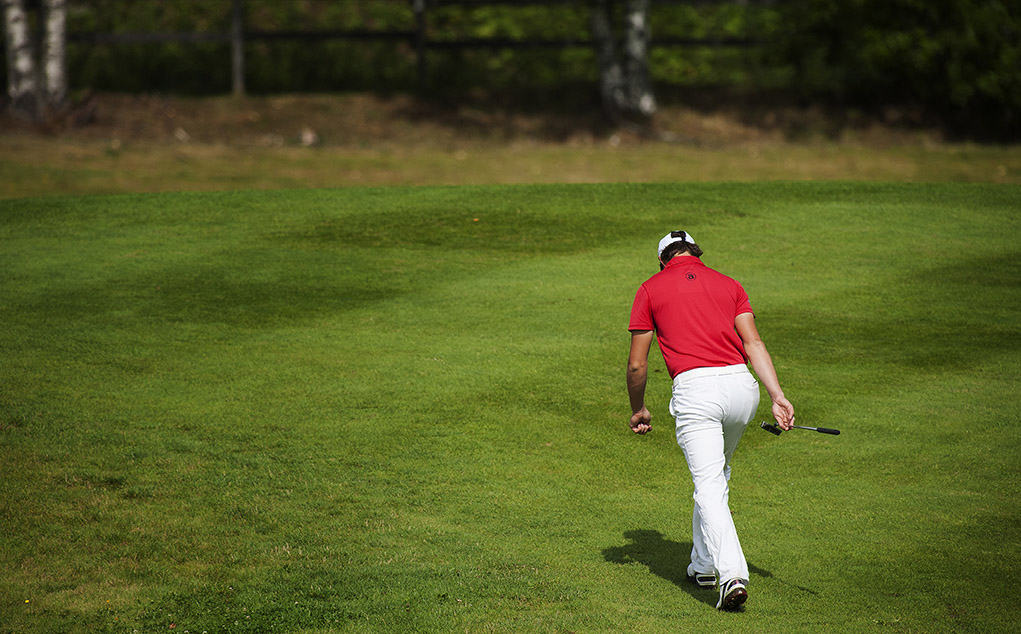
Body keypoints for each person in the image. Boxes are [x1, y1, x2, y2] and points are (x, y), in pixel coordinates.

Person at [626, 230, 795, 611]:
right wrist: (777, 395)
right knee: (718, 475)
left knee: (707, 485)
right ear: (696, 253)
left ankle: (732, 574)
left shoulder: (650, 288)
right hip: (742, 388)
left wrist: (638, 407)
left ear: (662, 260)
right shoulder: (729, 283)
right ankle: (703, 565)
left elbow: (638, 363)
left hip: (697, 391)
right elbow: (753, 344)